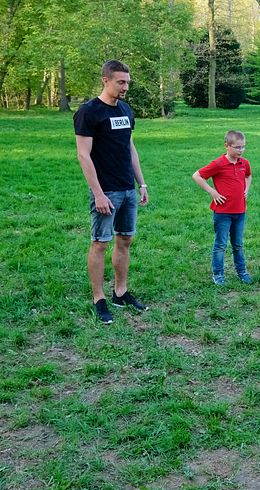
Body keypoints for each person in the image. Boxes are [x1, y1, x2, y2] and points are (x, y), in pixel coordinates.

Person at [74, 60, 149, 324]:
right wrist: (98, 193)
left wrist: (141, 183)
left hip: (128, 189)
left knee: (125, 241)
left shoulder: (126, 110)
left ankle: (121, 292)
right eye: (121, 82)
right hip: (106, 191)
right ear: (105, 80)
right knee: (100, 243)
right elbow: (83, 155)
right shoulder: (89, 112)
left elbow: (130, 148)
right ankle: (99, 298)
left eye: (128, 82)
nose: (125, 87)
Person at [192, 130, 253, 285]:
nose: (241, 150)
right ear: (227, 146)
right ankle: (218, 274)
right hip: (223, 213)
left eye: (243, 147)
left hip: (240, 212)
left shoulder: (244, 163)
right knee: (220, 244)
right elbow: (197, 176)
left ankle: (242, 271)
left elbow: (248, 175)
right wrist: (212, 192)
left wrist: (246, 189)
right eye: (237, 147)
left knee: (238, 244)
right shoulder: (219, 163)